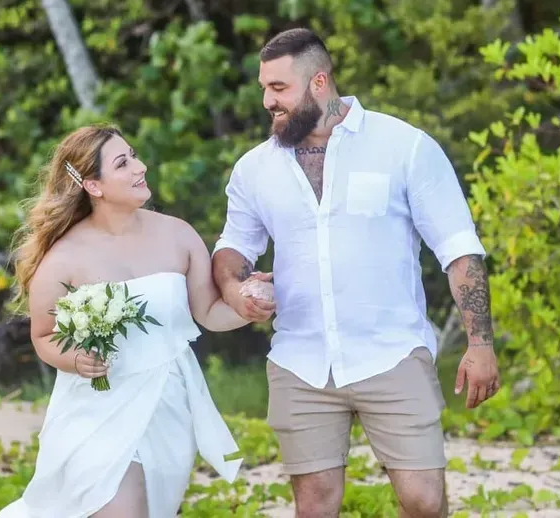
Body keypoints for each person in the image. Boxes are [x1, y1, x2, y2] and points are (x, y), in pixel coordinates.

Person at [211, 28, 501, 518]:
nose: (267, 101)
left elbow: (458, 250)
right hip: (301, 361)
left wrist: (480, 342)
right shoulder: (253, 169)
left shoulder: (405, 147)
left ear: (319, 82)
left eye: (278, 88)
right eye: (264, 87)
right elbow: (233, 246)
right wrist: (236, 289)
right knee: (315, 505)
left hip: (392, 352)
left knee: (424, 502)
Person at [0, 123, 255, 518]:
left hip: (168, 404)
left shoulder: (178, 235)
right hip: (97, 411)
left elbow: (209, 313)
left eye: (134, 155)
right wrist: (76, 359)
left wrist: (249, 304)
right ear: (94, 186)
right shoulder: (62, 258)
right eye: (123, 163)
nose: (140, 166)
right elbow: (44, 336)